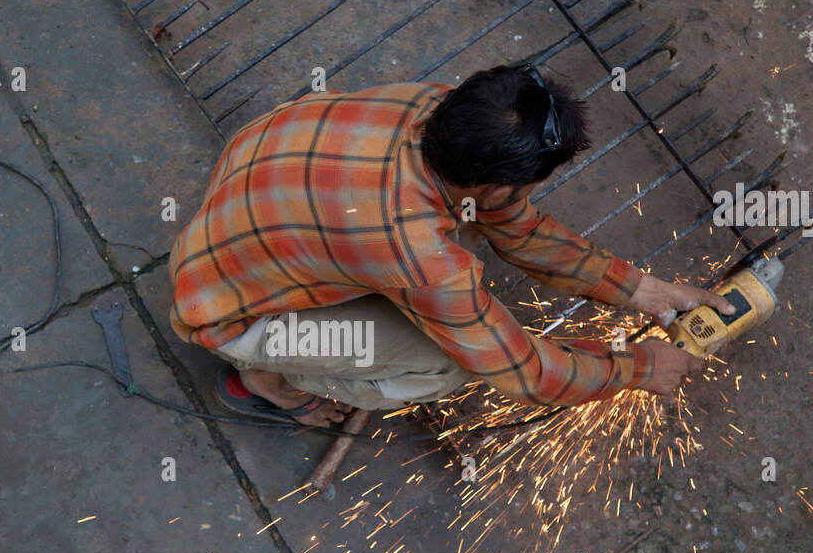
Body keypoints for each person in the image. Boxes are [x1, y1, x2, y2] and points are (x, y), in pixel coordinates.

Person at [168, 64, 733, 427]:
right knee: (449, 364)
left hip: (234, 228)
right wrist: (637, 368)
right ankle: (271, 382)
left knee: (463, 244)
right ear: (496, 182)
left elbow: (516, 227)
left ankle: (284, 350)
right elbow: (525, 374)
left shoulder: (438, 108)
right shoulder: (420, 256)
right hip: (231, 315)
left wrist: (641, 290)